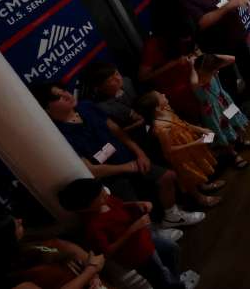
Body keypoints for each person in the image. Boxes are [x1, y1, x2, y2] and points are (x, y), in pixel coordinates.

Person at [29, 83, 205, 228]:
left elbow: (117, 130)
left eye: (65, 91)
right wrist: (126, 167)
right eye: (59, 97)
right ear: (46, 108)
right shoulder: (58, 136)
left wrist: (139, 153)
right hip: (110, 178)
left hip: (131, 159)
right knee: (133, 208)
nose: (67, 95)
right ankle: (153, 235)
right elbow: (90, 169)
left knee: (168, 176)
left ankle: (172, 216)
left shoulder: (87, 107)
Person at [57, 178, 192, 289]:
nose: (106, 195)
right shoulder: (93, 226)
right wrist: (133, 229)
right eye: (100, 196)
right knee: (160, 276)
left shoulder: (107, 200)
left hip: (144, 237)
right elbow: (107, 252)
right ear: (86, 207)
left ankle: (175, 280)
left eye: (103, 190)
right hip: (138, 254)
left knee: (172, 249)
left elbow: (121, 205)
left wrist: (138, 204)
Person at [136, 90, 223, 208]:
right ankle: (200, 198)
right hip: (180, 156)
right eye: (160, 96)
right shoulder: (161, 129)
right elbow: (169, 150)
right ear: (157, 108)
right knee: (189, 176)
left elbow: (183, 123)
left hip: (189, 146)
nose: (164, 94)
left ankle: (204, 186)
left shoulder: (166, 109)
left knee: (197, 168)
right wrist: (195, 143)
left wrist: (200, 130)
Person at [80, 62, 144, 135]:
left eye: (117, 74)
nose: (118, 79)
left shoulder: (127, 81)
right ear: (99, 87)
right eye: (111, 80)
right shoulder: (103, 107)